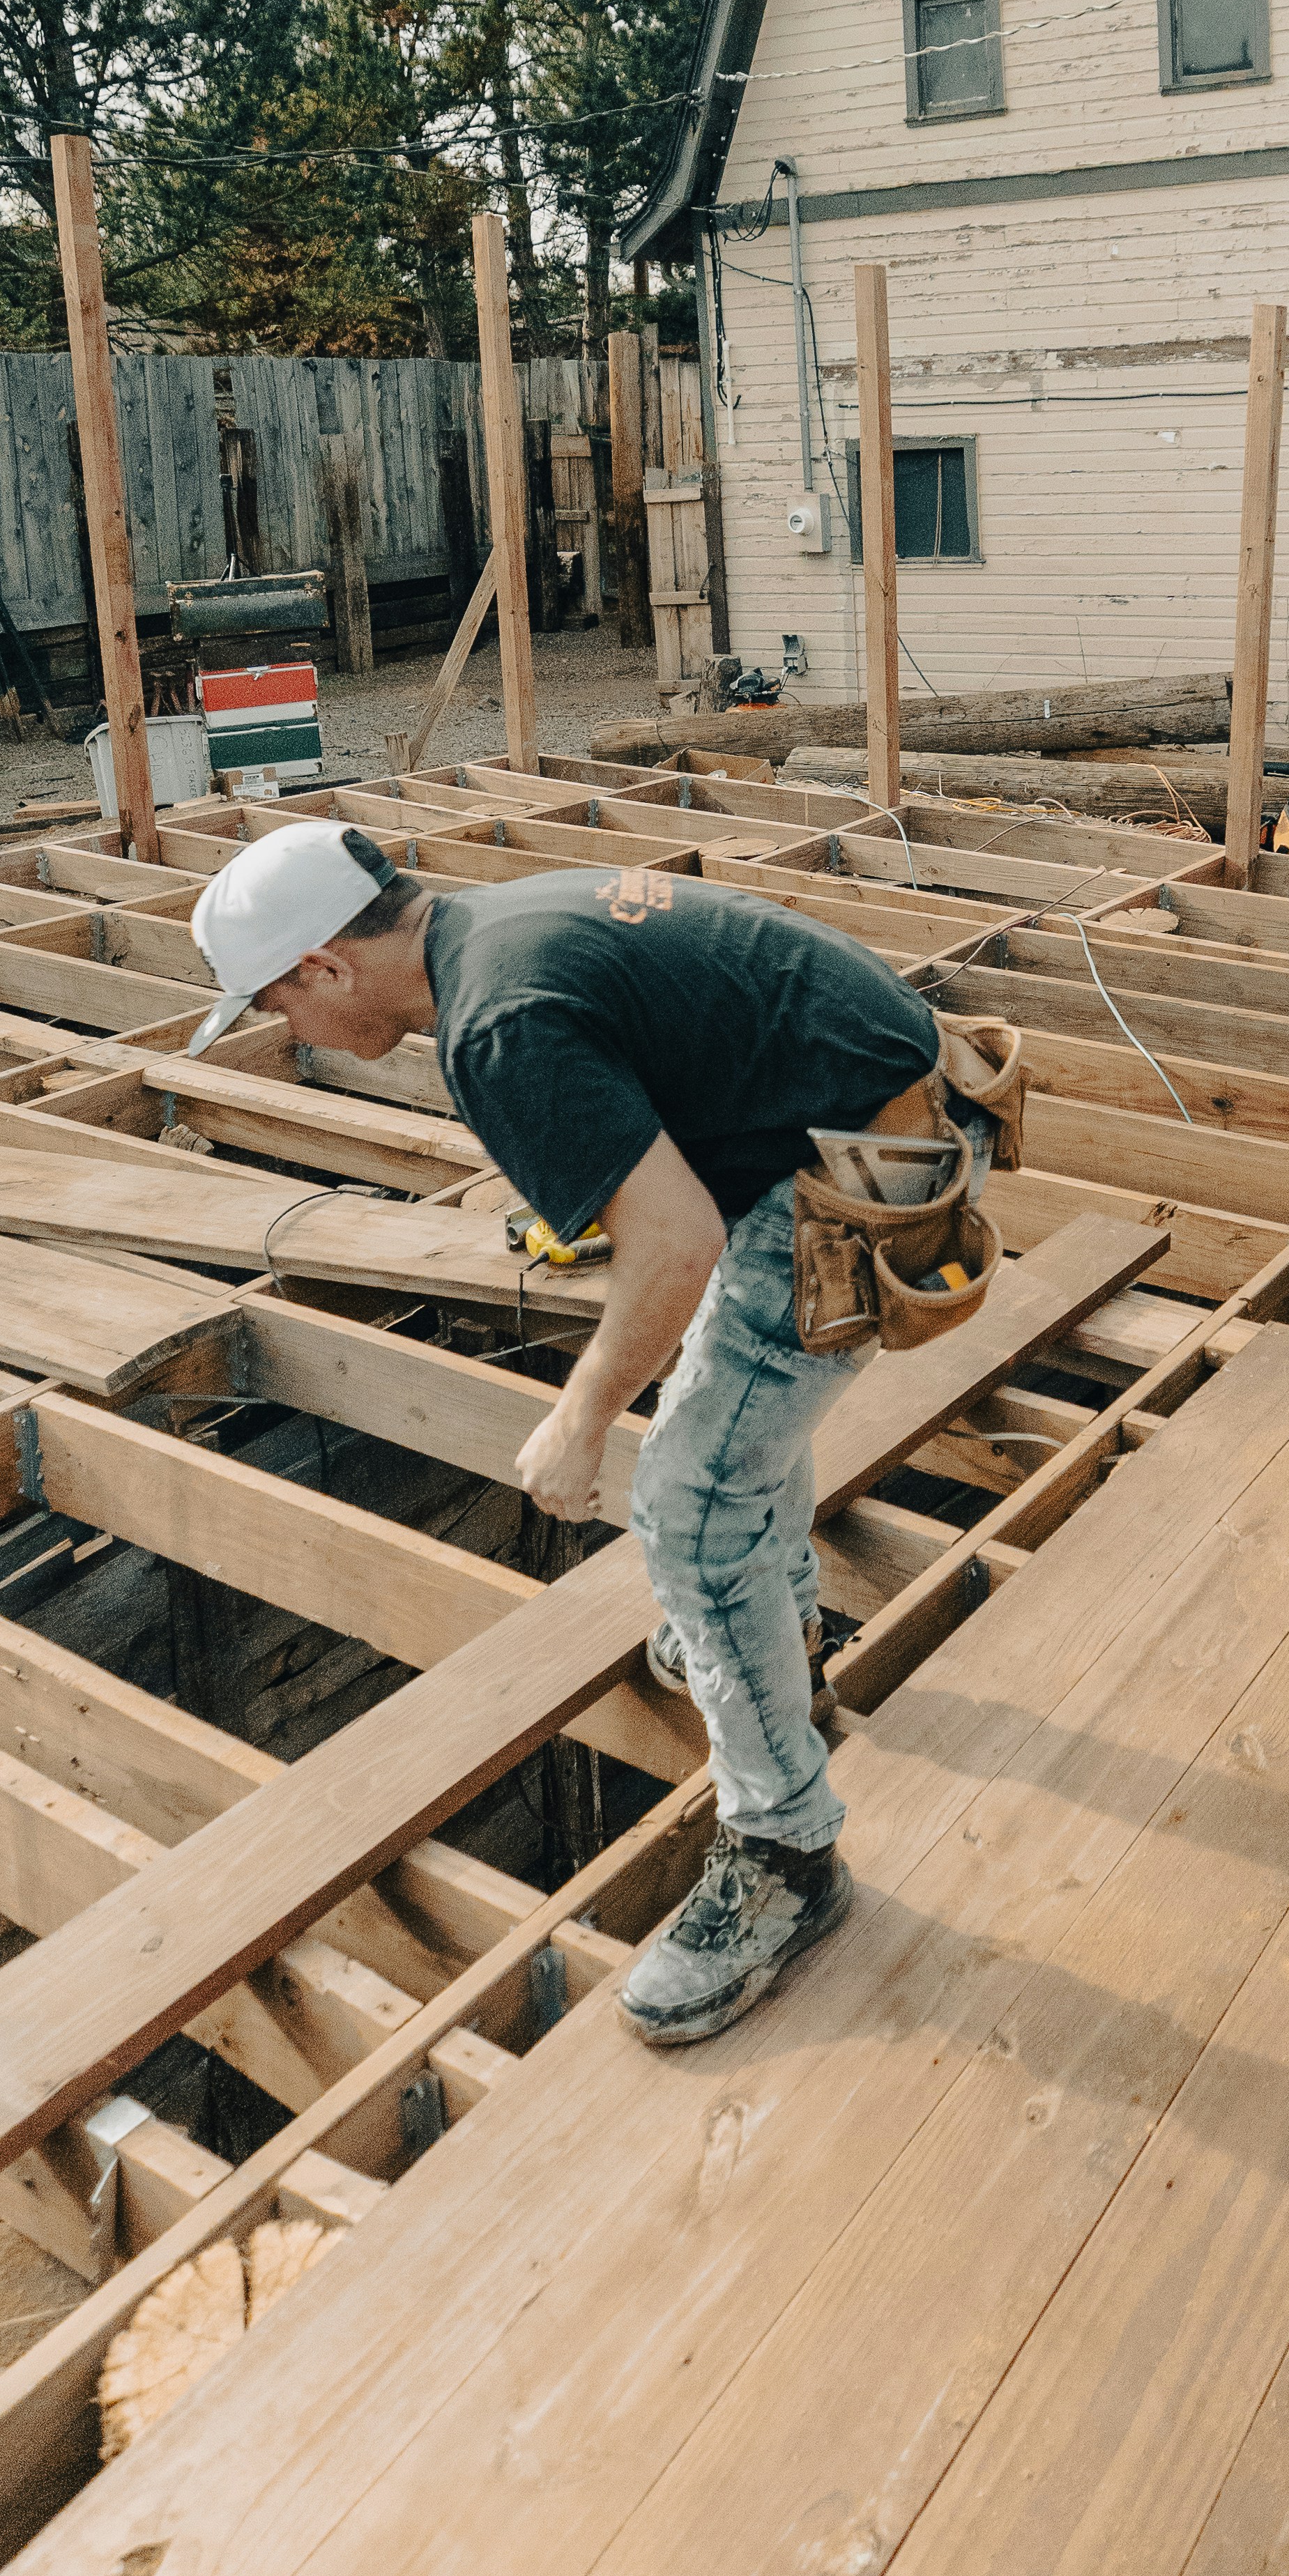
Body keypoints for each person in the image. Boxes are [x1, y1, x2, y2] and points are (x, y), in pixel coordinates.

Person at [183, 818, 946, 2046]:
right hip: (843, 1109)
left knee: (688, 1512)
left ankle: (787, 1855)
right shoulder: (489, 926)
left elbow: (680, 1246)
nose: (287, 1032)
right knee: (733, 1413)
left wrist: (580, 1417)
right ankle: (782, 1628)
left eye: (275, 1000)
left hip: (851, 1168)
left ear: (326, 964)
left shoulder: (495, 1025)